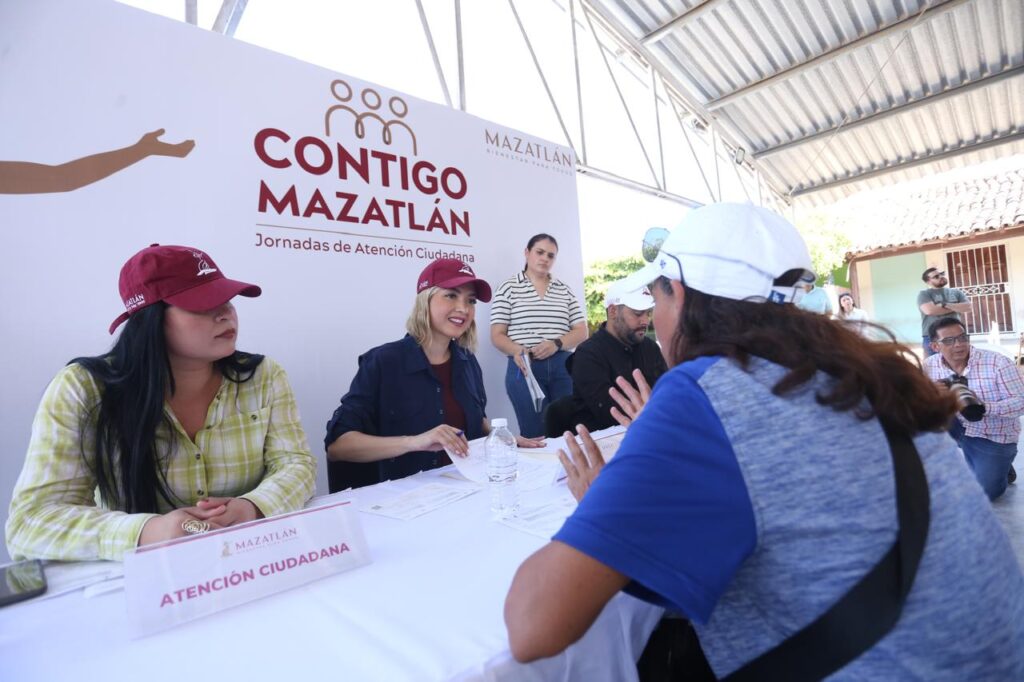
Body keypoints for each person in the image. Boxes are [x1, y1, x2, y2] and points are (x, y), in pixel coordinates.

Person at [504, 203, 1024, 679]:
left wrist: (600, 501)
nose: (654, 321)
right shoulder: (858, 370)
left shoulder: (708, 389)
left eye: (655, 298)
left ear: (679, 295)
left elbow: (533, 626)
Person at [6, 245, 316, 561]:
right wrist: (149, 532)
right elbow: (30, 523)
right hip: (140, 581)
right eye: (202, 304)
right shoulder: (84, 388)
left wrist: (253, 507)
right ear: (149, 320)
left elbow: (296, 463)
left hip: (254, 560)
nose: (225, 313)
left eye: (226, 299)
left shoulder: (263, 375)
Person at [325, 258, 542, 491]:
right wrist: (415, 442)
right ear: (424, 301)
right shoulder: (383, 362)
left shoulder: (468, 361)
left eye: (470, 301)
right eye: (451, 295)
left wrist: (499, 436)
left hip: (467, 489)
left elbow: (474, 419)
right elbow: (338, 446)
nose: (464, 308)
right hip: (406, 502)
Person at [490, 234, 589, 437]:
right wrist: (520, 350)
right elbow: (497, 335)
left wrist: (556, 343)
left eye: (551, 255)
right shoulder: (508, 288)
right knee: (534, 434)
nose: (545, 258)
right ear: (527, 253)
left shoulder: (564, 290)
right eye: (540, 252)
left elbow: (582, 331)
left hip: (564, 367)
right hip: (525, 366)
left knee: (570, 431)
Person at [924, 318, 1023, 500]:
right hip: (954, 425)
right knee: (921, 427)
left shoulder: (998, 363)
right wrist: (931, 394)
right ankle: (987, 462)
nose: (959, 344)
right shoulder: (930, 365)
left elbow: (1021, 402)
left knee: (986, 492)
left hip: (994, 435)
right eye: (949, 340)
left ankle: (1000, 465)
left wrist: (983, 407)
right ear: (935, 346)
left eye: (963, 337)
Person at [564, 279, 666, 432]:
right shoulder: (587, 355)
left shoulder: (650, 348)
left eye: (648, 313)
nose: (646, 321)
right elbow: (611, 414)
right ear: (613, 311)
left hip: (648, 434)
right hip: (601, 444)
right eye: (638, 313)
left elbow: (668, 393)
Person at [918, 267, 971, 357]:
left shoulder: (956, 292)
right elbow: (929, 310)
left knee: (961, 363)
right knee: (932, 366)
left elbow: (968, 307)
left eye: (941, 274)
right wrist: (957, 307)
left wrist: (944, 305)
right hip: (932, 337)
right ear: (928, 281)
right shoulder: (924, 294)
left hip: (957, 335)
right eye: (936, 276)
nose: (941, 276)